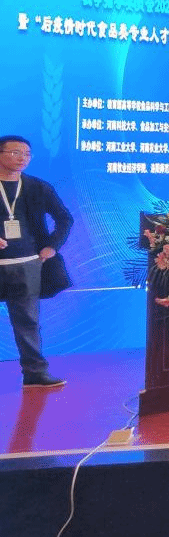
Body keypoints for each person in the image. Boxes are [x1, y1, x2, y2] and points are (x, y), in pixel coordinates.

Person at [0, 135, 73, 389]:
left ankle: (35, 373)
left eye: (27, 154)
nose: (22, 158)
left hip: (27, 263)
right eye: (15, 152)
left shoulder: (37, 187)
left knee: (28, 321)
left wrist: (52, 246)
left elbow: (65, 218)